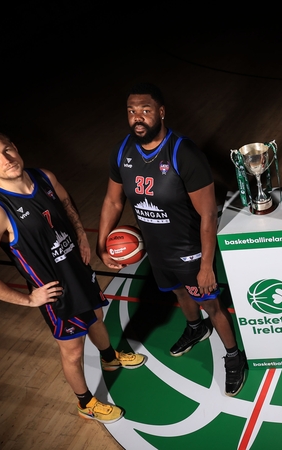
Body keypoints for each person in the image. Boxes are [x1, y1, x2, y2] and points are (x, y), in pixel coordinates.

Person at [0, 126, 147, 424]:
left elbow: (64, 201)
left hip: (78, 269)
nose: (7, 159)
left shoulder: (43, 176)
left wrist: (80, 234)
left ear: (15, 145)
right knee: (73, 352)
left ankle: (110, 358)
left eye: (7, 149)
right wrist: (29, 300)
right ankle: (86, 403)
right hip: (56, 294)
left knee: (97, 318)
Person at [96, 83, 247, 396]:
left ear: (161, 113)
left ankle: (234, 357)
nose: (138, 117)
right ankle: (195, 328)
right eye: (131, 111)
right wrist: (101, 243)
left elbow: (207, 215)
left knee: (212, 305)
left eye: (145, 111)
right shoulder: (122, 151)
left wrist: (206, 265)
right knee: (179, 294)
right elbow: (113, 201)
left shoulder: (184, 153)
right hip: (158, 251)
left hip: (190, 252)